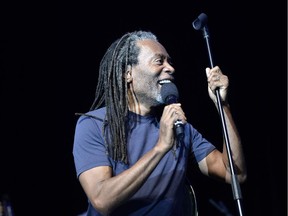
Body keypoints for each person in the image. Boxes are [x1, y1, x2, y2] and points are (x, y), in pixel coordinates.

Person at [72, 30, 247, 216]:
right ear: (128, 73)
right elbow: (102, 200)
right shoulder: (93, 124)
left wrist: (223, 105)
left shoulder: (181, 128)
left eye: (169, 61)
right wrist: (161, 147)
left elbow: (236, 174)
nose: (170, 68)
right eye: (159, 61)